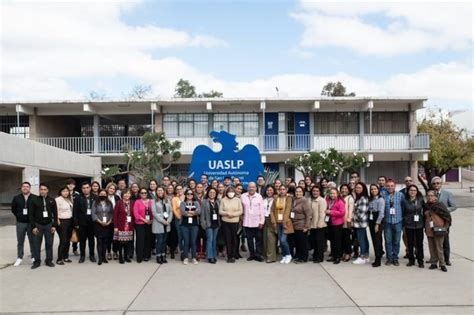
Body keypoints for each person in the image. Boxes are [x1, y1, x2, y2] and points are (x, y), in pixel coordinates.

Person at [30, 183, 57, 269]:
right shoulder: (34, 200)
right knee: (36, 244)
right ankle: (37, 261)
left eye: (45, 189)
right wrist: (33, 226)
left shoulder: (52, 200)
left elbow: (55, 214)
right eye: (41, 189)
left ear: (47, 190)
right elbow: (31, 215)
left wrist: (54, 225)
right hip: (38, 225)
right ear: (39, 190)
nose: (43, 191)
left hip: (49, 225)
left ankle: (48, 260)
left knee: (49, 243)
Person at [431, 176, 457, 266]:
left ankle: (446, 259)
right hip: (434, 221)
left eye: (438, 183)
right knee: (435, 240)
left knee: (445, 240)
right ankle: (435, 258)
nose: (436, 185)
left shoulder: (448, 194)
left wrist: (444, 210)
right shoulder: (431, 194)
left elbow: (454, 206)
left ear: (441, 184)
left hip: (444, 221)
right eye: (434, 183)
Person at [424, 190, 451, 272]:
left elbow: (447, 217)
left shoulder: (440, 205)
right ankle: (433, 263)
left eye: (432, 195)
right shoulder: (425, 206)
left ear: (436, 197)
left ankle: (442, 264)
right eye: (428, 195)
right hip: (429, 229)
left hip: (439, 229)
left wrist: (446, 228)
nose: (430, 197)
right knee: (431, 247)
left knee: (439, 247)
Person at [11, 182, 36, 267]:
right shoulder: (16, 198)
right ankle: (19, 257)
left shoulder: (34, 198)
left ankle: (33, 257)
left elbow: (37, 210)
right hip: (20, 223)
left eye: (27, 186)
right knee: (20, 241)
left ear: (30, 188)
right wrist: (19, 216)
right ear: (21, 188)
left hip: (31, 223)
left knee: (32, 241)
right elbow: (13, 209)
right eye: (24, 186)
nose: (25, 188)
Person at [73, 182, 97, 263]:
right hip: (81, 223)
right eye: (84, 188)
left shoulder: (95, 197)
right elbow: (75, 211)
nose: (85, 189)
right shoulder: (78, 198)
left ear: (90, 188)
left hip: (92, 223)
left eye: (87, 187)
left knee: (91, 240)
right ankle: (82, 256)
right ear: (82, 189)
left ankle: (92, 255)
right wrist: (76, 223)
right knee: (82, 241)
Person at [402, 184, 425, 268]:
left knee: (419, 244)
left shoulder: (420, 199)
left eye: (414, 190)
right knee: (410, 243)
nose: (413, 192)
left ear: (417, 191)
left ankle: (420, 260)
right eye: (411, 190)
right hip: (409, 225)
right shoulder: (405, 201)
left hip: (419, 224)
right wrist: (405, 221)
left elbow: (425, 210)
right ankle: (411, 260)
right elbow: (403, 212)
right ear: (408, 191)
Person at [241, 182, 265, 262]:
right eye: (250, 187)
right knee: (249, 240)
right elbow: (241, 209)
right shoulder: (243, 196)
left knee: (258, 240)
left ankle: (258, 255)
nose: (251, 188)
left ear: (255, 188)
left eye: (253, 187)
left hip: (257, 222)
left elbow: (262, 210)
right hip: (247, 222)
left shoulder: (259, 196)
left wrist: (262, 221)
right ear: (248, 187)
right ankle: (251, 254)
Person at [219, 187, 243, 263]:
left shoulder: (238, 200)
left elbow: (241, 210)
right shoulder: (223, 200)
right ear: (226, 192)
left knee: (234, 239)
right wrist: (227, 213)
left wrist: (233, 214)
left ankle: (234, 254)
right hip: (225, 222)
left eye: (232, 191)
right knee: (228, 239)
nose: (231, 193)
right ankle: (229, 256)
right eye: (229, 191)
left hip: (235, 222)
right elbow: (220, 211)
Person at [383, 179, 404, 266]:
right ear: (386, 187)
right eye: (388, 186)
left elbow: (403, 206)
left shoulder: (400, 195)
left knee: (396, 241)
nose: (390, 187)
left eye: (392, 186)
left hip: (398, 221)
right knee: (388, 241)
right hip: (387, 222)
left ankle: (395, 258)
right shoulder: (383, 195)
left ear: (395, 186)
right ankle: (389, 258)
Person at [271, 185, 293, 264]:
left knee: (283, 240)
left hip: (286, 223)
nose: (282, 191)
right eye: (281, 189)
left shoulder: (289, 198)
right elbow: (272, 210)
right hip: (277, 222)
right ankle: (284, 256)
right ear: (278, 190)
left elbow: (288, 210)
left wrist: (284, 221)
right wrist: (273, 221)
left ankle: (289, 254)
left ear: (286, 190)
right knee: (280, 240)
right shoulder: (276, 198)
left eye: (284, 189)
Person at [91, 189, 114, 265]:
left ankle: (104, 257)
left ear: (106, 195)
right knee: (99, 241)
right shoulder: (95, 203)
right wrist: (100, 222)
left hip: (107, 224)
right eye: (101, 194)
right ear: (98, 194)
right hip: (98, 224)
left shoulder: (109, 203)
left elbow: (111, 213)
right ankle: (100, 258)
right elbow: (93, 214)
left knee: (105, 242)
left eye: (104, 194)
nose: (103, 195)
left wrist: (109, 221)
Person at [291, 186, 312, 263]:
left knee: (303, 243)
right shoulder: (294, 200)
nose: (298, 193)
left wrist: (306, 226)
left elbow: (308, 215)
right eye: (296, 191)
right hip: (295, 225)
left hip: (302, 225)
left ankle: (303, 258)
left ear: (303, 192)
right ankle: (299, 256)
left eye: (300, 191)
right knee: (298, 243)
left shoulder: (304, 201)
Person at [113, 189, 135, 264]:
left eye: (128, 193)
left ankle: (126, 256)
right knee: (120, 243)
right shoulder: (119, 203)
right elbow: (115, 215)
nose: (127, 195)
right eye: (125, 193)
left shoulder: (132, 202)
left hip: (129, 226)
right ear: (122, 195)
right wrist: (115, 226)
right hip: (120, 226)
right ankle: (120, 257)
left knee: (127, 242)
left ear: (130, 195)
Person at [152, 187, 173, 264]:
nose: (160, 191)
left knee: (164, 241)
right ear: (156, 192)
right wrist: (163, 221)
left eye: (161, 190)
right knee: (159, 241)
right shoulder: (153, 201)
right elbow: (154, 213)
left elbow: (171, 211)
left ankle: (163, 255)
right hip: (159, 224)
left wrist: (169, 220)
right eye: (158, 190)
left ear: (164, 191)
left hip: (167, 224)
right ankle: (158, 256)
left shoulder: (167, 200)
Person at [180, 189, 201, 265]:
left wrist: (190, 212)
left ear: (193, 195)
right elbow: (183, 212)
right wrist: (192, 212)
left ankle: (194, 257)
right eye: (188, 194)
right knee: (186, 241)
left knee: (193, 241)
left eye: (191, 194)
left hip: (194, 225)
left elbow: (199, 211)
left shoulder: (196, 202)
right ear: (185, 195)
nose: (189, 195)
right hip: (184, 225)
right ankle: (185, 257)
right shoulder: (183, 203)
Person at [325, 188, 346, 264]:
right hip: (330, 223)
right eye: (331, 193)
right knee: (332, 240)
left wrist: (331, 212)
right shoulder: (328, 200)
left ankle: (338, 257)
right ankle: (333, 255)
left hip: (337, 224)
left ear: (337, 194)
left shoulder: (340, 202)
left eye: (334, 193)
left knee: (337, 241)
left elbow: (342, 213)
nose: (332, 195)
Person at [200, 187, 220, 263]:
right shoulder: (204, 202)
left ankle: (214, 255)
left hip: (216, 224)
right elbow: (202, 215)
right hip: (208, 225)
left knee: (214, 240)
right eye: (210, 192)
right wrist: (204, 225)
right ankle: (210, 256)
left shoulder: (218, 201)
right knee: (209, 240)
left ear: (216, 194)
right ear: (208, 193)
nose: (212, 194)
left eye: (214, 193)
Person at [133, 188, 153, 263]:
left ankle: (147, 256)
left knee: (148, 240)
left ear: (147, 193)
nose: (143, 194)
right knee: (140, 240)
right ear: (140, 194)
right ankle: (139, 256)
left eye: (145, 192)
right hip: (140, 224)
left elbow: (154, 211)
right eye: (142, 193)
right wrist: (144, 220)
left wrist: (152, 220)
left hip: (149, 224)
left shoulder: (151, 202)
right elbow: (135, 213)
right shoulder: (137, 202)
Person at [55, 186, 73, 265]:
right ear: (60, 192)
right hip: (61, 222)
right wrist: (57, 220)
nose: (66, 192)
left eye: (67, 191)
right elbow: (55, 211)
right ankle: (59, 258)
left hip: (69, 221)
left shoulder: (69, 199)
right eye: (64, 191)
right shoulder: (58, 199)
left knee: (68, 240)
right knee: (63, 240)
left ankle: (66, 257)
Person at [368, 184, 385, 267]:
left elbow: (381, 213)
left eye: (375, 189)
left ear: (378, 190)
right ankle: (378, 254)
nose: (373, 190)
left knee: (377, 240)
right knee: (374, 240)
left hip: (377, 221)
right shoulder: (370, 199)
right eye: (372, 189)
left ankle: (378, 260)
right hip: (371, 220)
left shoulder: (381, 200)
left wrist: (377, 224)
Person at [309, 186, 327, 263]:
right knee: (314, 242)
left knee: (319, 242)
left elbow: (322, 213)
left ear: (320, 192)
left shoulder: (322, 200)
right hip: (312, 225)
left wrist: (319, 224)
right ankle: (315, 256)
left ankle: (320, 257)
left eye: (317, 191)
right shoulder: (310, 200)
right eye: (314, 191)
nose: (315, 192)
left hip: (320, 225)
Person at [340, 184, 354, 262]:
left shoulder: (350, 199)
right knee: (341, 239)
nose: (344, 190)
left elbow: (351, 211)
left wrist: (349, 220)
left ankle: (348, 253)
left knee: (347, 239)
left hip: (346, 222)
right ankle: (343, 252)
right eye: (342, 188)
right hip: (339, 222)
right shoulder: (340, 198)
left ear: (348, 190)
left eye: (346, 189)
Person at [105, 182, 120, 260]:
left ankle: (115, 252)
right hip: (106, 220)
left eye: (113, 189)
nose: (111, 190)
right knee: (108, 237)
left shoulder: (117, 197)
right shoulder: (104, 196)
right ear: (107, 188)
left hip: (115, 220)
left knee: (115, 237)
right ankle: (108, 252)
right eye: (110, 188)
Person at [262, 185, 277, 263]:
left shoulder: (276, 199)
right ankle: (266, 254)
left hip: (272, 219)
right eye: (268, 190)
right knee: (265, 238)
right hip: (264, 219)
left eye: (271, 190)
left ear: (273, 191)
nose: (269, 192)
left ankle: (271, 257)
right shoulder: (263, 199)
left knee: (270, 238)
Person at [66, 178, 80, 256]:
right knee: (67, 234)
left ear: (74, 186)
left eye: (72, 184)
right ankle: (66, 250)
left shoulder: (77, 194)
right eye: (69, 184)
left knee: (76, 233)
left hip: (75, 216)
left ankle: (75, 249)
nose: (70, 185)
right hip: (67, 216)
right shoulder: (64, 193)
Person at [171, 185, 184, 260]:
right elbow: (174, 209)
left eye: (180, 189)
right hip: (178, 219)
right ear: (176, 191)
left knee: (185, 236)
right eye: (177, 189)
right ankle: (182, 251)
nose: (179, 190)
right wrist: (179, 217)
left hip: (187, 219)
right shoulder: (174, 199)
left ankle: (186, 251)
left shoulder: (186, 196)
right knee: (180, 236)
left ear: (182, 190)